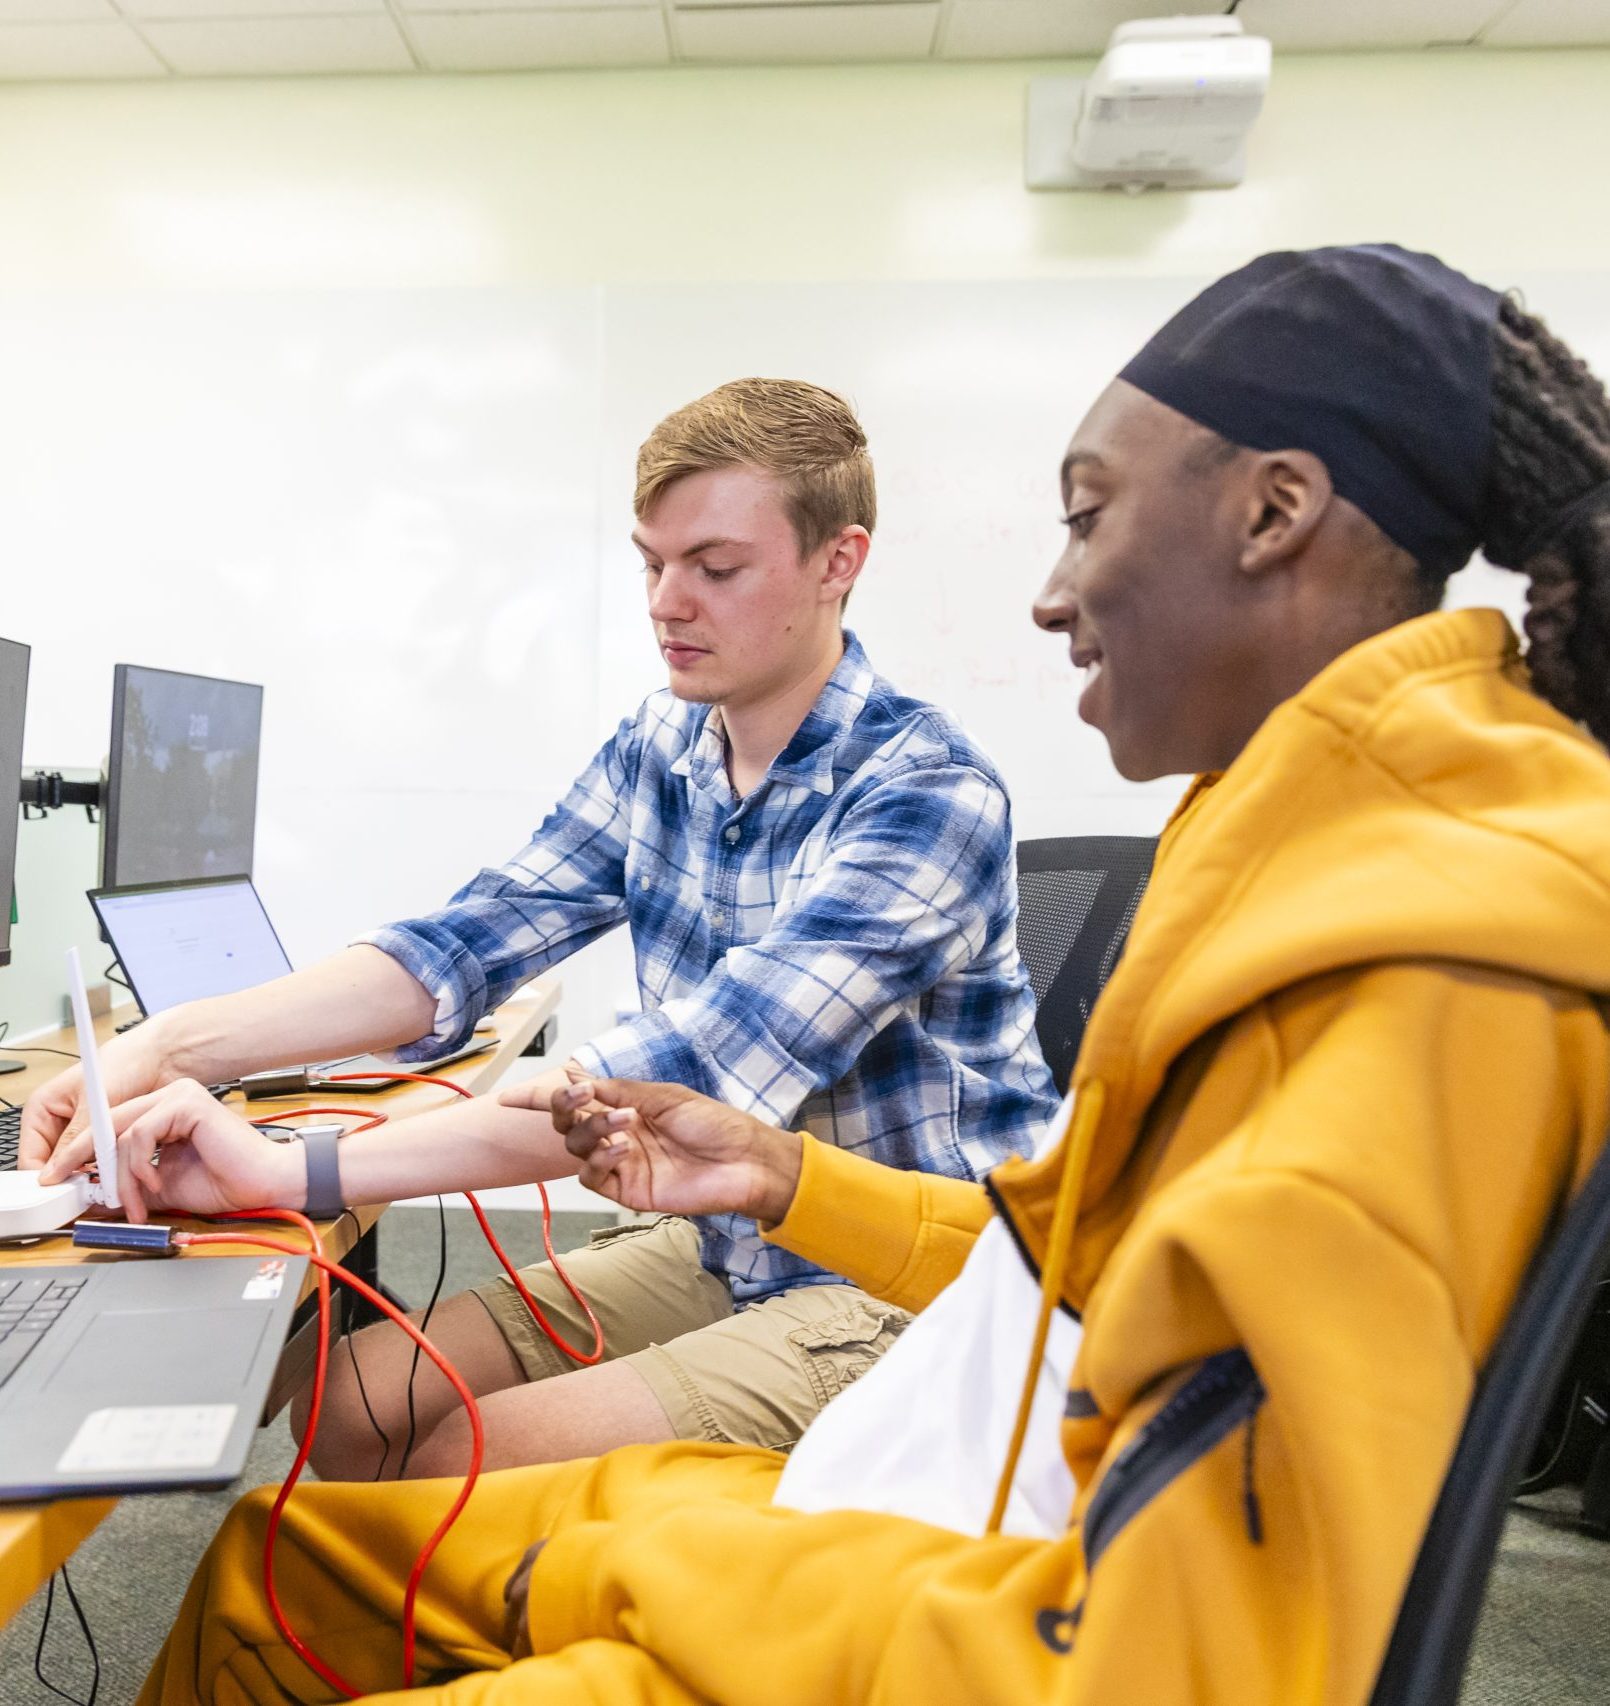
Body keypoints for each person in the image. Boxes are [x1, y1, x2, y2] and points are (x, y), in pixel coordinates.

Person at [135, 244, 1610, 1706]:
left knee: (386, 1517)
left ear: (1272, 513)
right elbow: (1057, 1271)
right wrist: (172, 1049)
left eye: (1085, 517)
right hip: (854, 1306)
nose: (1047, 594)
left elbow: (1163, 1634)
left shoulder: (1411, 932)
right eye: (653, 566)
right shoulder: (1290, 827)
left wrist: (639, 1556)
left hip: (939, 1476)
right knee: (311, 1497)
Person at [27, 377, 1058, 1481]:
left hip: (897, 1283)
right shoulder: (663, 744)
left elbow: (669, 1091)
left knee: (469, 1461)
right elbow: (460, 943)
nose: (667, 601)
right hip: (727, 1244)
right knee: (351, 1403)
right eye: (651, 562)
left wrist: (285, 1168)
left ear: (836, 562)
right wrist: (168, 1044)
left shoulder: (925, 794)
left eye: (714, 568)